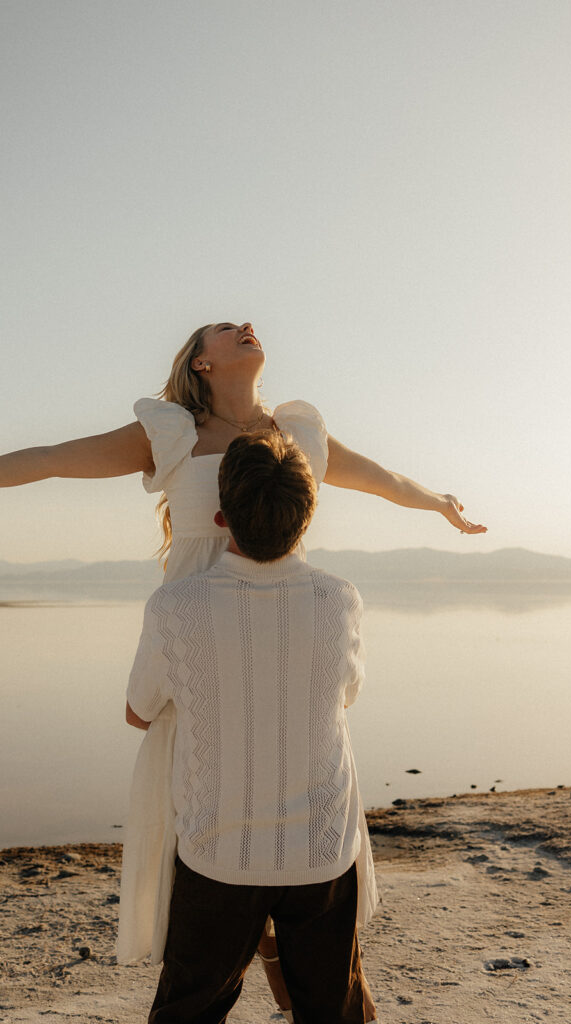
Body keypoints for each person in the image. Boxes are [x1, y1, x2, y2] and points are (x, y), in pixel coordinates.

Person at [0, 320, 486, 1019]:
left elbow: (380, 480)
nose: (245, 326)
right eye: (227, 329)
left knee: (281, 796)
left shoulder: (299, 432)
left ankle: (300, 977)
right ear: (202, 362)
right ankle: (280, 966)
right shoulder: (168, 432)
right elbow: (50, 457)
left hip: (284, 624)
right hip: (197, 634)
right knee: (214, 819)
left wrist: (436, 502)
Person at [126, 429, 369, 1023]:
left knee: (190, 1010)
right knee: (330, 1011)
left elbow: (138, 711)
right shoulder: (339, 600)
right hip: (321, 851)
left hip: (218, 853)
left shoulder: (176, 606)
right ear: (306, 522)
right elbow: (347, 696)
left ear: (218, 516)